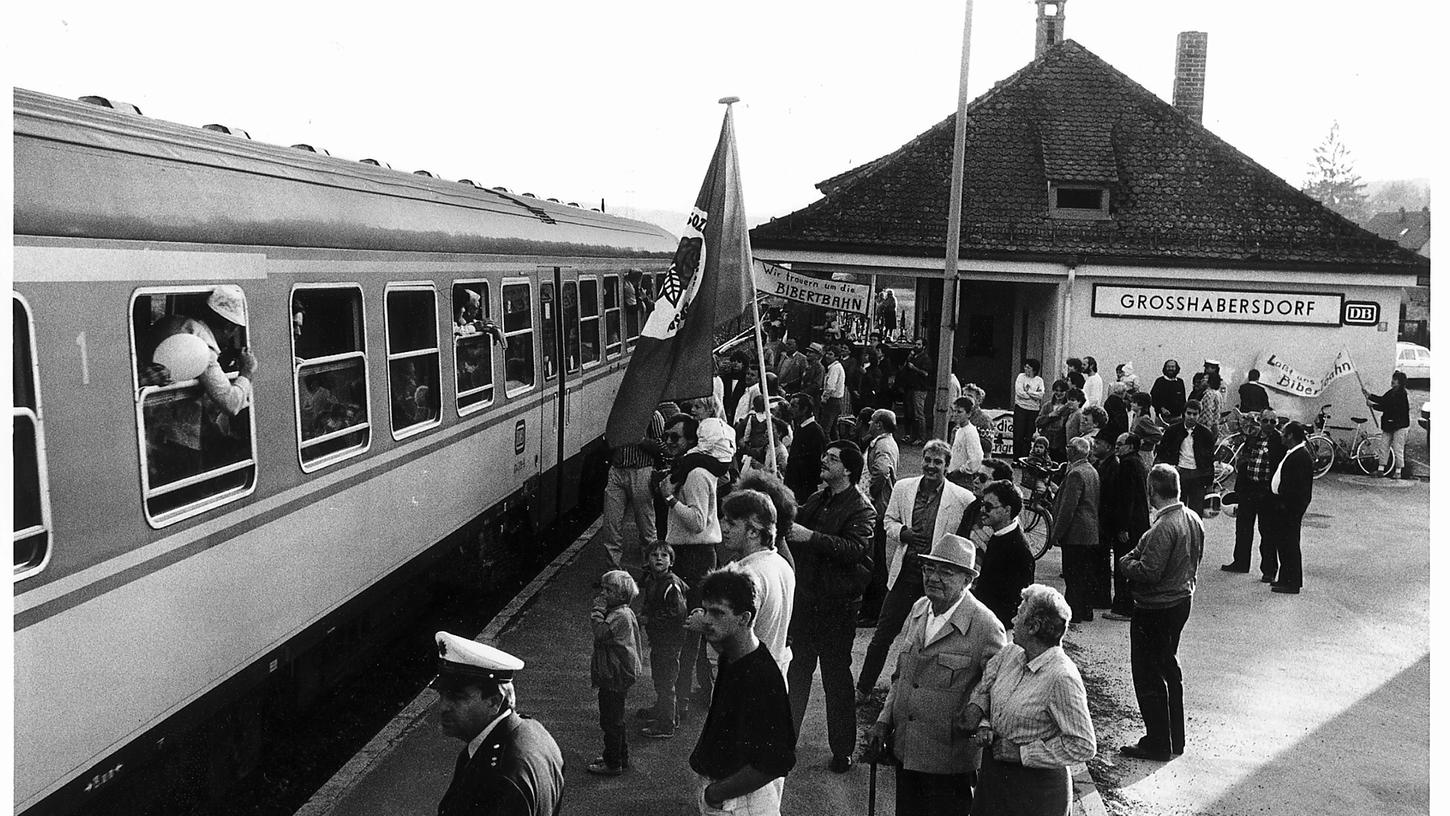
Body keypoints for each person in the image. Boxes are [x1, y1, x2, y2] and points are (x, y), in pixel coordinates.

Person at [866, 534, 1007, 816]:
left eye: (946, 571)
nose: (933, 577)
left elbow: (998, 689)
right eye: (929, 568)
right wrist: (884, 719)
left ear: (968, 580)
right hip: (907, 750)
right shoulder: (920, 609)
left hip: (949, 763)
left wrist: (978, 714)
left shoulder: (986, 626)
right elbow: (901, 675)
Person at [959, 584, 1096, 816]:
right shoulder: (1010, 654)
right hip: (995, 780)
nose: (1013, 619)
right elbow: (985, 690)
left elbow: (1083, 744)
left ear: (1034, 627)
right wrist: (984, 724)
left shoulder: (1061, 677)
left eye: (1019, 613)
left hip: (1036, 792)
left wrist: (1023, 753)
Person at [856, 440, 975, 699]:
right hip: (907, 572)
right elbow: (888, 520)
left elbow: (969, 539)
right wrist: (903, 533)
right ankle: (863, 689)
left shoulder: (963, 499)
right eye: (927, 460)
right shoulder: (903, 488)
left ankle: (917, 694)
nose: (931, 466)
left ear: (947, 465)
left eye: (938, 462)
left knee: (930, 640)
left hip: (939, 578)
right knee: (883, 635)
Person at [785, 439, 875, 773]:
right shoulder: (816, 498)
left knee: (836, 678)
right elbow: (793, 521)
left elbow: (853, 549)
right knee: (798, 673)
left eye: (832, 459)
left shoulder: (862, 509)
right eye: (824, 455)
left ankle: (842, 748)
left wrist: (809, 537)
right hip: (807, 602)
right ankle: (785, 741)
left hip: (838, 607)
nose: (824, 460)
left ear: (848, 469)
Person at [689, 569, 797, 816]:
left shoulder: (761, 678)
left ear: (745, 618)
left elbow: (775, 762)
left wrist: (714, 794)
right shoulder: (734, 654)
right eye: (705, 610)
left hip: (740, 803)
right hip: (729, 796)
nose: (706, 620)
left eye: (718, 613)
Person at [1117, 465, 1204, 761]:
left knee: (1148, 675)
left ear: (1152, 491)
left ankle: (1156, 742)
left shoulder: (1163, 526)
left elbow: (1148, 571)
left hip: (1155, 608)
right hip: (1180, 600)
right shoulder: (1192, 518)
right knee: (1169, 670)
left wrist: (1126, 563)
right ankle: (1173, 739)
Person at [431, 632, 563, 816]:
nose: (443, 707)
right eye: (442, 694)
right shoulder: (535, 732)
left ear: (494, 702)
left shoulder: (499, 778)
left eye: (457, 697)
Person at [658, 414, 726, 720]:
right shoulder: (693, 468)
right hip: (692, 555)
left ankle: (679, 703)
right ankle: (698, 694)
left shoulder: (696, 473)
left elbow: (697, 523)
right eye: (667, 436)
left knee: (686, 632)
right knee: (692, 636)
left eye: (676, 438)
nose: (669, 442)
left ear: (692, 441)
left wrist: (669, 498)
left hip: (694, 556)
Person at [719, 488, 796, 682]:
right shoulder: (782, 564)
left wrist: (703, 624)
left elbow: (733, 643)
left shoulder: (745, 576)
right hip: (775, 676)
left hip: (746, 680)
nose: (723, 527)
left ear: (753, 532)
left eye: (731, 523)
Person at [587, 570, 643, 775]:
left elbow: (600, 634)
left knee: (610, 720)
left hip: (614, 675)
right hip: (616, 673)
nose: (603, 593)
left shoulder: (619, 616)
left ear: (621, 595)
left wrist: (597, 611)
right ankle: (620, 755)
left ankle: (612, 763)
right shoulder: (623, 612)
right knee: (616, 718)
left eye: (608, 590)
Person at [1220, 411, 1283, 576]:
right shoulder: (1253, 437)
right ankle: (1240, 562)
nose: (1269, 424)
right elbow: (1243, 459)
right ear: (1260, 421)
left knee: (1267, 532)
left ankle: (1269, 570)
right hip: (1249, 489)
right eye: (1265, 421)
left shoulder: (1279, 440)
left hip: (1267, 492)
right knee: (1243, 529)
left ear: (1276, 423)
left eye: (1272, 421)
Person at [636, 542, 689, 737]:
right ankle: (663, 711)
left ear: (671, 561)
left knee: (665, 680)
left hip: (670, 640)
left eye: (664, 555)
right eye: (654, 555)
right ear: (647, 560)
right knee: (660, 676)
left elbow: (677, 613)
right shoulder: (653, 580)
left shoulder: (671, 584)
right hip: (660, 638)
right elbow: (650, 603)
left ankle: (666, 724)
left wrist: (649, 619)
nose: (659, 558)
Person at [601, 408, 664, 572]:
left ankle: (652, 572)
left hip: (641, 471)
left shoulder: (653, 416)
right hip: (617, 470)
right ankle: (613, 571)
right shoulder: (620, 413)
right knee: (611, 524)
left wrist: (640, 440)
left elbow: (661, 447)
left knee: (646, 526)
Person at [969, 480, 1036, 630]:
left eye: (989, 507)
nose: (982, 510)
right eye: (982, 504)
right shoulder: (1000, 534)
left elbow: (1016, 605)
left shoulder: (1019, 551)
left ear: (1007, 510)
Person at [1049, 437, 1101, 623]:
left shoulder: (1075, 474)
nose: (1066, 450)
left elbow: (1067, 508)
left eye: (1068, 447)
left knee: (1073, 574)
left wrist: (1056, 534)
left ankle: (1074, 613)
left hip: (1076, 532)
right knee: (1084, 573)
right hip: (1090, 531)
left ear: (1073, 451)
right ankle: (1085, 610)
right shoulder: (1091, 471)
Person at [1102, 433, 1151, 621]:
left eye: (1120, 444)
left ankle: (1124, 607)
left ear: (1130, 446)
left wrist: (1122, 527)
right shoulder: (1136, 462)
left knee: (1124, 565)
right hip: (1138, 523)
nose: (1116, 447)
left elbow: (1126, 499)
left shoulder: (1128, 465)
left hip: (1130, 525)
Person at [860, 409, 901, 622]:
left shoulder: (883, 445)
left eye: (872, 421)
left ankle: (873, 611)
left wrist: (873, 493)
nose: (869, 423)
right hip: (878, 505)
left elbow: (883, 471)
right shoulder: (884, 442)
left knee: (874, 561)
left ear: (879, 425)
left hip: (878, 507)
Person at [1264, 421, 1313, 595]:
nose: (1282, 436)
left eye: (1284, 433)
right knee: (1284, 544)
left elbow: (1296, 488)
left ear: (1291, 435)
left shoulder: (1300, 456)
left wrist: (1284, 504)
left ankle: (1292, 583)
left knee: (1290, 544)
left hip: (1289, 508)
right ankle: (1285, 578)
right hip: (1284, 506)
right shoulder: (1293, 452)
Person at [1155, 400, 1216, 517]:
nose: (1191, 417)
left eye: (1195, 414)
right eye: (1189, 413)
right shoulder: (1172, 431)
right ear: (1184, 413)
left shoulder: (1206, 434)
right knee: (1176, 511)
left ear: (1199, 415)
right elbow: (1162, 453)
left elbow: (1209, 460)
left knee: (1195, 514)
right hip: (1178, 473)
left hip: (1198, 475)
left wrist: (1209, 484)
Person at [1364, 371, 1411, 478]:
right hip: (1389, 425)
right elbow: (1382, 400)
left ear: (1400, 382)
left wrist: (1373, 405)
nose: (1392, 381)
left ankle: (1398, 471)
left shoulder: (1402, 395)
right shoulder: (1391, 392)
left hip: (1400, 426)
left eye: (1395, 379)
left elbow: (1388, 407)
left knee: (1398, 448)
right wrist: (1369, 395)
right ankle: (1381, 470)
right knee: (1383, 446)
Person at [784, 393, 828, 503]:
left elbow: (815, 464)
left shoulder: (815, 432)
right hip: (794, 485)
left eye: (794, 406)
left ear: (805, 409)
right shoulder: (800, 427)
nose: (789, 409)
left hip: (804, 489)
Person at [947, 396, 986, 486]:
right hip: (953, 476)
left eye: (959, 412)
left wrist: (961, 470)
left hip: (963, 479)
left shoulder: (970, 432)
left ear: (969, 414)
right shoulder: (959, 430)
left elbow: (977, 459)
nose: (955, 414)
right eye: (954, 411)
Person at [900, 339, 934, 444]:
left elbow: (925, 373)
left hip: (920, 388)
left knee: (919, 414)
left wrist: (914, 368)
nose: (916, 346)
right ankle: (913, 435)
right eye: (915, 344)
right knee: (912, 413)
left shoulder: (925, 359)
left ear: (923, 346)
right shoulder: (914, 357)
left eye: (919, 344)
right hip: (911, 387)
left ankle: (922, 438)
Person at [1013, 359, 1046, 458]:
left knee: (1028, 436)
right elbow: (1019, 392)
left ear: (1034, 370)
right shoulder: (1021, 377)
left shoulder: (1039, 380)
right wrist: (1032, 395)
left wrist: (1028, 392)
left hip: (1033, 410)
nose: (1025, 369)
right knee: (1018, 435)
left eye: (1028, 367)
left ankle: (1026, 458)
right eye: (1025, 367)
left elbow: (1040, 395)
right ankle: (1016, 458)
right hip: (1021, 408)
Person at [1035, 380, 1072, 462]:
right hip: (1047, 441)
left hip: (1060, 443)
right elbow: (1038, 422)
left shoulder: (1069, 408)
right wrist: (1049, 416)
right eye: (1056, 390)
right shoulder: (1047, 405)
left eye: (1061, 391)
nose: (1058, 393)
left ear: (1066, 392)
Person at [1129, 392, 1163, 475]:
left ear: (1141, 405)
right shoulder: (1136, 416)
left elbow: (1158, 435)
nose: (1131, 404)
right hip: (1137, 452)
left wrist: (1144, 440)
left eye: (1134, 402)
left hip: (1144, 454)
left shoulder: (1144, 420)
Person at [821, 346, 847, 436]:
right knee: (833, 429)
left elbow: (831, 386)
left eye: (831, 354)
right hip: (837, 401)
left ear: (836, 357)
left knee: (825, 429)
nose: (827, 356)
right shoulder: (836, 367)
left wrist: (824, 398)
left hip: (832, 401)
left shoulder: (835, 368)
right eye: (827, 354)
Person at [1198, 372, 1224, 440]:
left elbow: (1207, 412)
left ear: (1210, 382)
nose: (1202, 380)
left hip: (1205, 427)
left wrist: (1206, 428)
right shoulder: (1218, 394)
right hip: (1215, 425)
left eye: (1205, 378)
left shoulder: (1209, 394)